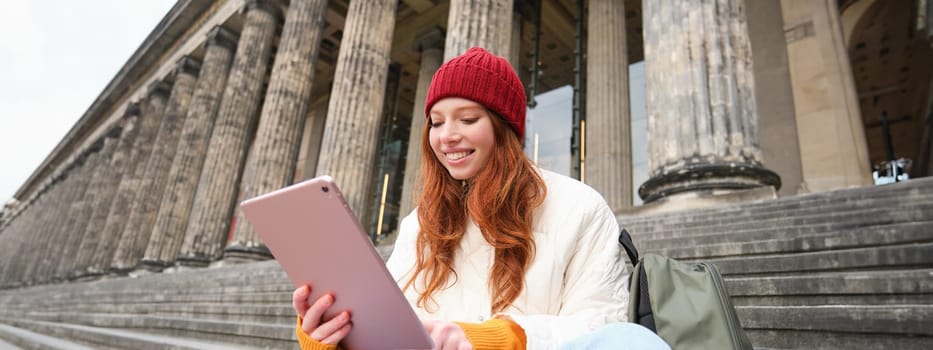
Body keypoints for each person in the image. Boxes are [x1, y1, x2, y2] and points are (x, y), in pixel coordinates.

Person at [292, 47, 669, 349]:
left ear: (504, 129)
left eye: (467, 119)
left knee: (634, 342)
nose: (446, 136)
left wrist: (506, 339)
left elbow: (602, 323)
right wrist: (330, 336)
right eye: (437, 123)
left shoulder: (579, 206)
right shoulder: (419, 223)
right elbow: (392, 323)